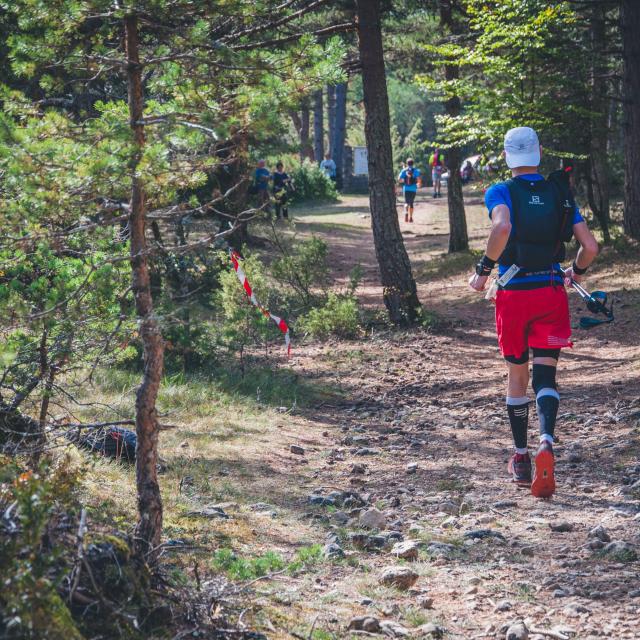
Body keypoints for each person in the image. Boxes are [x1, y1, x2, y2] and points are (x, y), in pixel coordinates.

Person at [468, 126, 599, 498]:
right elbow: (589, 246)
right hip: (550, 292)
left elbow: (503, 226)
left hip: (514, 296)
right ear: (539, 152)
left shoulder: (500, 191)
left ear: (508, 156)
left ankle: (522, 459)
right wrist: (578, 271)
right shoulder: (559, 191)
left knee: (516, 377)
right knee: (546, 375)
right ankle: (546, 440)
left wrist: (482, 270)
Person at [397, 158, 422, 222]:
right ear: (413, 163)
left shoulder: (404, 170)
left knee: (406, 202)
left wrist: (404, 180)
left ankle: (406, 212)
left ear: (407, 163)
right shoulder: (416, 171)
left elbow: (399, 179)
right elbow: (419, 179)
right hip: (413, 189)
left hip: (406, 188)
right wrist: (419, 184)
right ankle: (410, 218)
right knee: (411, 203)